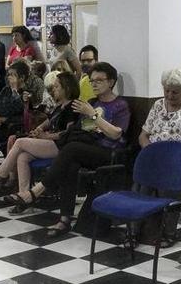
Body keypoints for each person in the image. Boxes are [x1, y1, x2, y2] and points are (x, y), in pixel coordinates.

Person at [14, 62, 130, 236]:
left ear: (111, 82)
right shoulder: (91, 102)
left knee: (72, 149)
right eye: (91, 81)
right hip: (86, 148)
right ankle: (65, 219)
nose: (94, 84)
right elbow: (79, 129)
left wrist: (93, 114)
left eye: (99, 80)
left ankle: (37, 191)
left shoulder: (120, 105)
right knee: (71, 164)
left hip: (109, 152)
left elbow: (115, 134)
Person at [0, 71, 80, 208]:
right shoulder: (59, 106)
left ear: (67, 88)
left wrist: (46, 136)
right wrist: (39, 129)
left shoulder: (73, 107)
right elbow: (48, 121)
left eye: (57, 87)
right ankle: (23, 197)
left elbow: (68, 133)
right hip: (49, 141)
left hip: (61, 145)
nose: (54, 90)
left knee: (19, 142)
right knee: (23, 157)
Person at [135, 68, 181, 246]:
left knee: (169, 181)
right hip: (156, 156)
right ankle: (138, 229)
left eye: (174, 91)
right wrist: (150, 152)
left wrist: (176, 154)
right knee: (142, 185)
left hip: (180, 159)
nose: (169, 95)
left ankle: (169, 232)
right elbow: (143, 136)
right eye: (166, 90)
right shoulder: (158, 105)